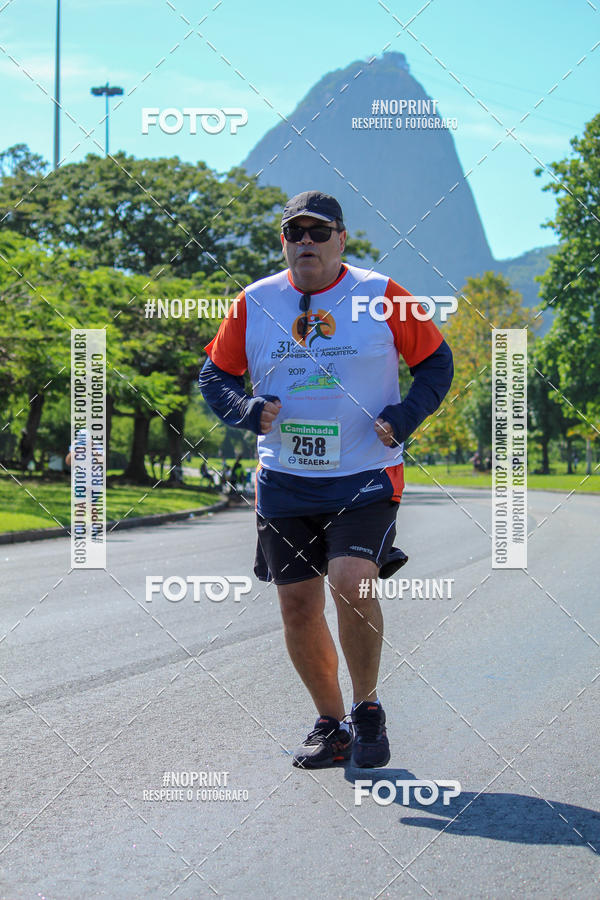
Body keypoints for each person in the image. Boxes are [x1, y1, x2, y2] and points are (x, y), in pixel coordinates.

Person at [200, 190, 453, 769]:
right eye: (296, 233)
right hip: (285, 481)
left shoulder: (382, 294)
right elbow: (214, 374)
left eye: (319, 232)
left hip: (364, 474)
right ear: (283, 241)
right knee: (297, 607)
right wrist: (243, 409)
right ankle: (332, 724)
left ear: (342, 238)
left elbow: (437, 363)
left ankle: (367, 708)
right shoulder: (255, 302)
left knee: (352, 580)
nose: (306, 242)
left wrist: (404, 417)